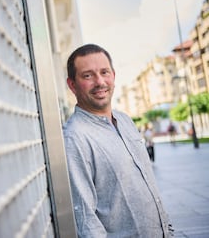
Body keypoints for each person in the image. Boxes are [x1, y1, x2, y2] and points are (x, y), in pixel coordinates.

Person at [62, 44, 172, 237]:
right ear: (72, 85)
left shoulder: (125, 120)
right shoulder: (74, 138)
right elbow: (85, 219)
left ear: (113, 75)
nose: (99, 82)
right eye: (88, 75)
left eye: (104, 72)